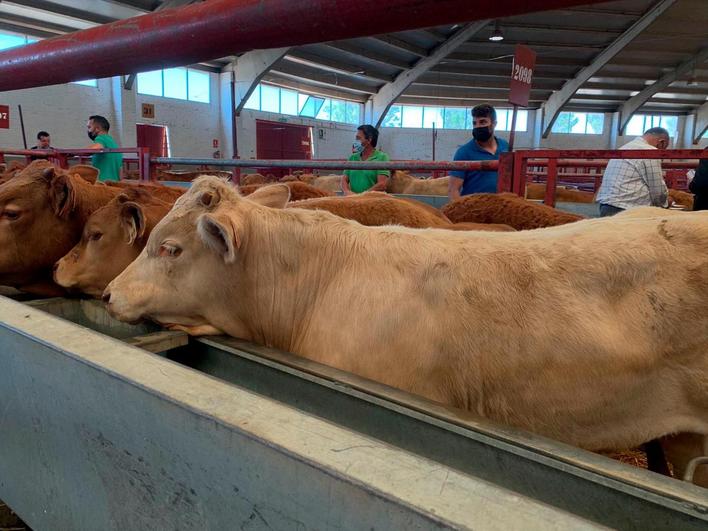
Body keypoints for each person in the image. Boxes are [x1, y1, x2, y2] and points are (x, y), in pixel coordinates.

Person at [595, 127, 671, 217]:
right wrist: (665, 203)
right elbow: (657, 188)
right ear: (661, 142)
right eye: (663, 149)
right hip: (628, 209)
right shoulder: (650, 152)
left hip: (607, 205)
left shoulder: (624, 148)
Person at [448, 104, 510, 200]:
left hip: (501, 206)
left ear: (494, 124)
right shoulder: (464, 152)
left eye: (482, 122)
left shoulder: (505, 147)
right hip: (474, 209)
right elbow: (453, 190)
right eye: (474, 123)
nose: (477, 126)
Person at [342, 125, 390, 194]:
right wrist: (346, 191)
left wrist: (363, 195)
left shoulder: (382, 157)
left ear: (369, 140)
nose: (356, 141)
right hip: (353, 199)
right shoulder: (352, 157)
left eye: (358, 138)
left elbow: (382, 185)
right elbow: (344, 180)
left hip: (371, 200)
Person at [86, 115, 123, 182]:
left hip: (102, 185)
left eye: (89, 127)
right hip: (114, 185)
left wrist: (72, 153)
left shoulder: (101, 138)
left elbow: (92, 149)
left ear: (97, 129)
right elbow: (121, 173)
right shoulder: (113, 143)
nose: (88, 130)